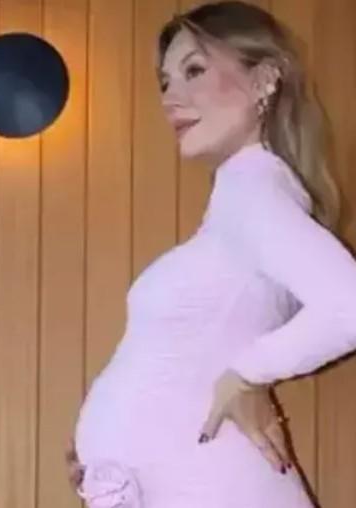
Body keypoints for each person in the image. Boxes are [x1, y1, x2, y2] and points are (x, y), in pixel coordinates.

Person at [68, 2, 356, 507]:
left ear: (264, 79)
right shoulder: (242, 200)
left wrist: (248, 373)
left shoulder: (252, 188)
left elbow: (348, 306)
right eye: (165, 82)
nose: (171, 98)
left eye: (194, 70)